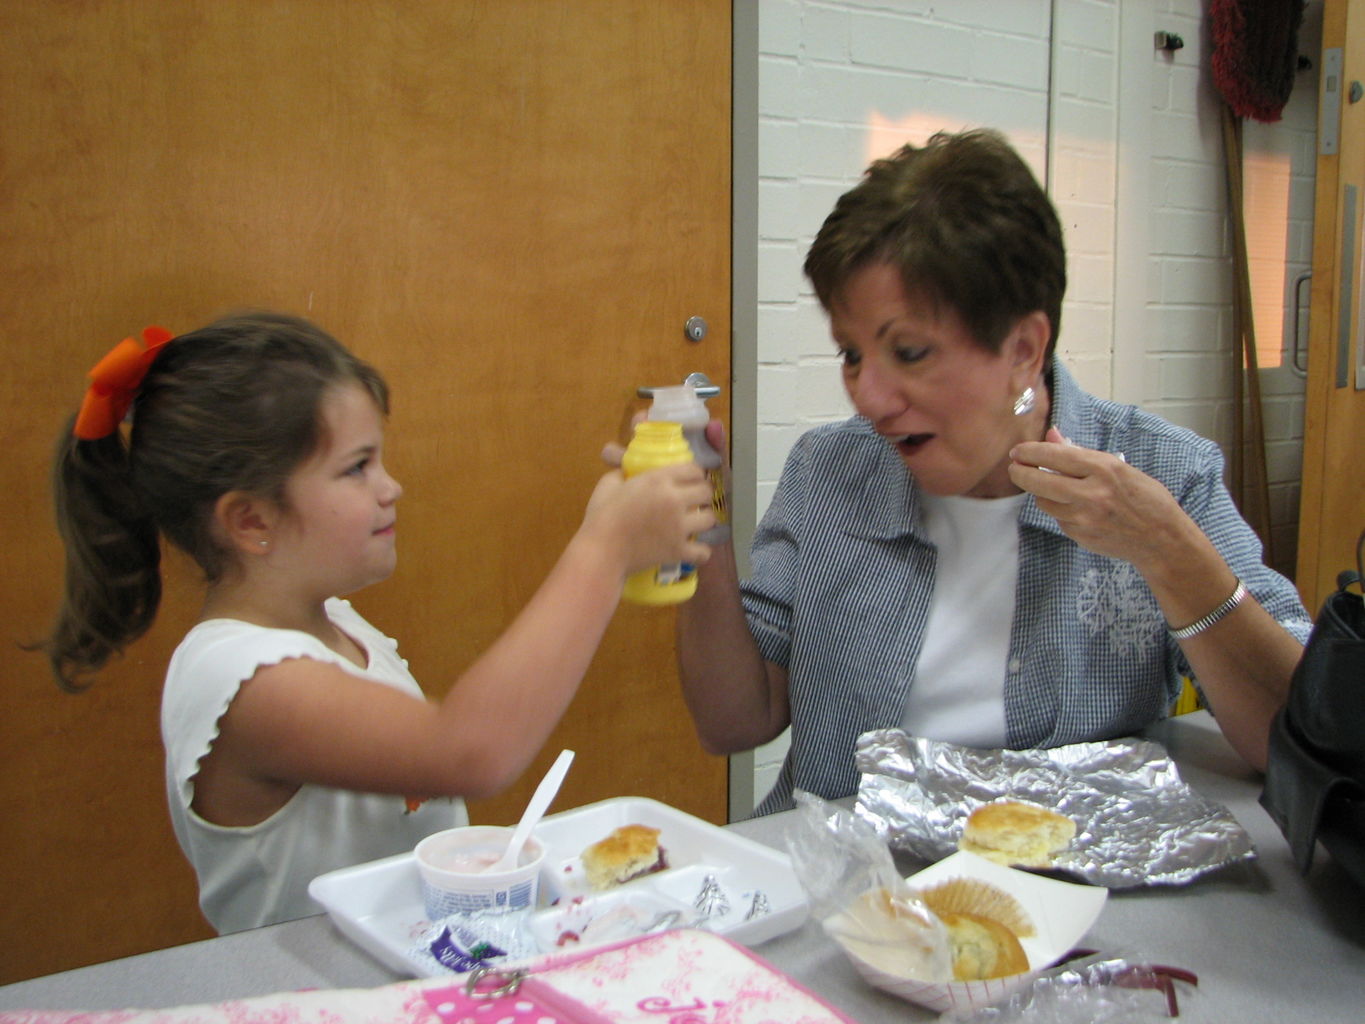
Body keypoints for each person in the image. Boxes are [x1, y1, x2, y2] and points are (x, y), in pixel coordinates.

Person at [675, 128, 1312, 816]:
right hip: (852, 893)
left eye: (909, 352)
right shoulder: (827, 472)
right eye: (851, 354)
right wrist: (700, 539)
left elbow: (1294, 743)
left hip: (1068, 895)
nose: (868, 397)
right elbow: (734, 724)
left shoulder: (1164, 473)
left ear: (1022, 348)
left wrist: (1170, 555)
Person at [42, 311, 715, 932]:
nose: (390, 486)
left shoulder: (332, 623)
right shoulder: (239, 679)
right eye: (357, 467)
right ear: (251, 521)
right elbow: (469, 752)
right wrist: (603, 549)